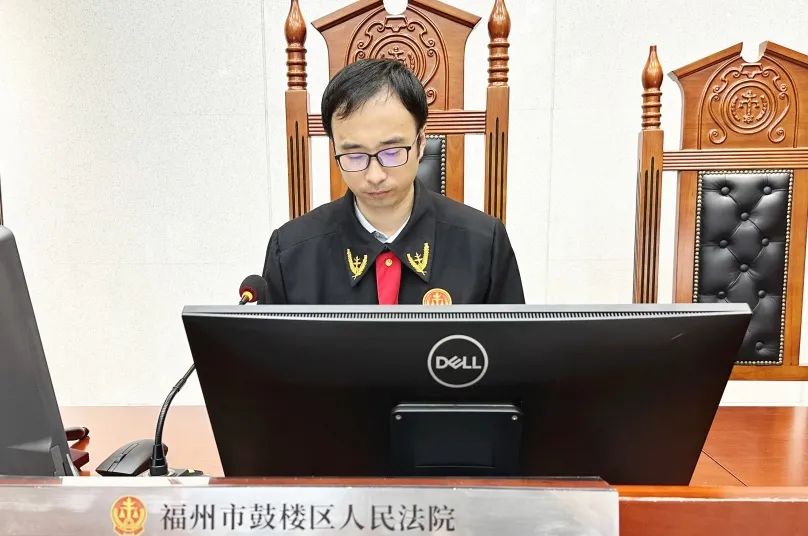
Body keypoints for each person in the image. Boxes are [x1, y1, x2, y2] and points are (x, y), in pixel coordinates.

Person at [262, 59, 524, 305]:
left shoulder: (484, 244)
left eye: (391, 152)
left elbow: (510, 339)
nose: (375, 176)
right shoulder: (289, 254)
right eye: (355, 155)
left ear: (421, 142)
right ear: (334, 150)